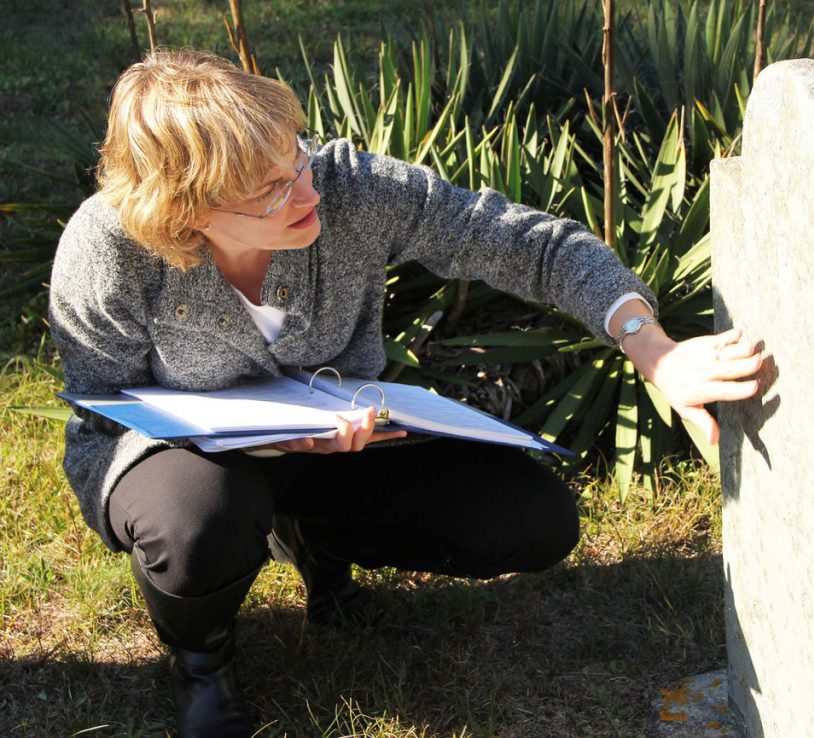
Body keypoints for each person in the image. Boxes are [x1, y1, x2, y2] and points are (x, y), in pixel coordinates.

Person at [48, 50, 762, 737]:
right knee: (199, 516)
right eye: (270, 189)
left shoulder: (348, 186)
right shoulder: (109, 247)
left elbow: (533, 246)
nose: (307, 190)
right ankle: (203, 662)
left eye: (295, 158)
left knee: (531, 519)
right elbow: (100, 406)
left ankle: (318, 541)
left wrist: (653, 349)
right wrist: (236, 443)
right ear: (183, 211)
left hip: (340, 437)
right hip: (185, 461)